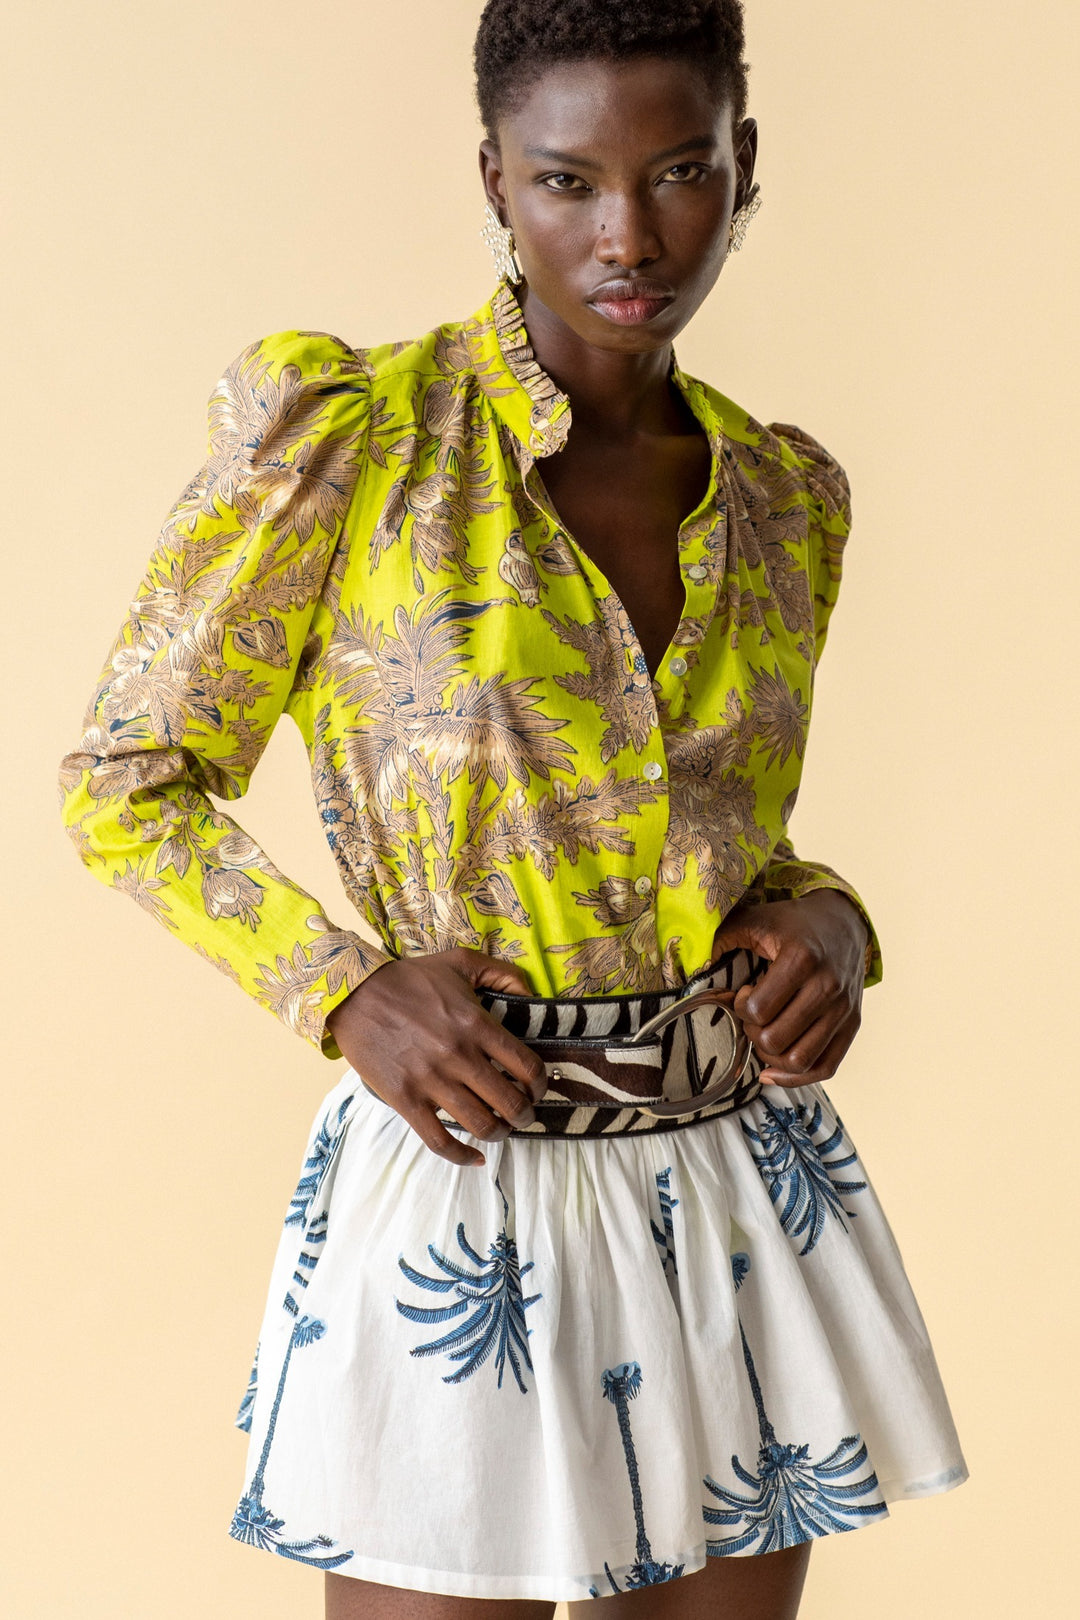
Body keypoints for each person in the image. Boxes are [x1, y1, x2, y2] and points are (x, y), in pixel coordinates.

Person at [57, 2, 967, 1615]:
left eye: (680, 170)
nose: (628, 234)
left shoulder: (784, 498)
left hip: (729, 1186)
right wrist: (335, 987)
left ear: (744, 165)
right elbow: (128, 781)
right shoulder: (353, 447)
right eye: (567, 180)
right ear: (494, 178)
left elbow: (717, 846)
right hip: (467, 1177)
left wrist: (830, 919)